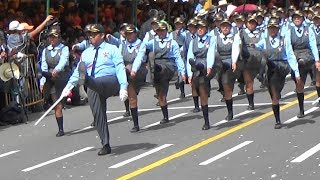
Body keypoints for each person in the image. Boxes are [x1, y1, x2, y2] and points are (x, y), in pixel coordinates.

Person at [63, 24, 128, 155]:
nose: (90, 37)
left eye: (94, 34)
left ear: (102, 35)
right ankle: (105, 144)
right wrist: (68, 86)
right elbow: (77, 72)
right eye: (89, 34)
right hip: (93, 84)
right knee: (98, 114)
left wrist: (123, 86)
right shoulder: (86, 53)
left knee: (92, 80)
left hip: (109, 80)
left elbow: (120, 67)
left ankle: (86, 79)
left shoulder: (112, 49)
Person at [131, 22, 185, 124]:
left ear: (166, 31)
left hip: (168, 64)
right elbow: (141, 50)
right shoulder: (152, 42)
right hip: (156, 66)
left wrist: (182, 72)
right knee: (161, 94)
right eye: (159, 31)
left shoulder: (172, 42)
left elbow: (178, 58)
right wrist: (135, 67)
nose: (161, 32)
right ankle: (165, 116)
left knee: (161, 68)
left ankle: (154, 68)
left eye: (162, 30)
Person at [253, 17, 301, 129]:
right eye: (270, 28)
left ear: (278, 29)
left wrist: (296, 72)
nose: (272, 30)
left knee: (275, 89)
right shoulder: (264, 40)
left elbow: (290, 55)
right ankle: (277, 120)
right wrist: (251, 45)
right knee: (273, 93)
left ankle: (275, 94)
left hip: (281, 67)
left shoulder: (284, 40)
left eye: (274, 28)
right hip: (270, 69)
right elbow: (257, 46)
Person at [287, 10, 320, 118]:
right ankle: (301, 109)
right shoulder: (289, 30)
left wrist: (317, 60)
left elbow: (313, 44)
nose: (297, 19)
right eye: (295, 18)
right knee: (299, 84)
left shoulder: (308, 29)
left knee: (317, 80)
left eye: (299, 17)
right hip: (295, 56)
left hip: (308, 56)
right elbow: (288, 48)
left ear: (302, 19)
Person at [39, 27, 70, 137]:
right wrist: (42, 82)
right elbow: (44, 67)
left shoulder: (64, 49)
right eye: (50, 37)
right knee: (57, 104)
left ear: (58, 38)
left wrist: (56, 70)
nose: (52, 39)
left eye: (54, 37)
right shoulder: (45, 51)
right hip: (51, 79)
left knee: (61, 102)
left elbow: (63, 61)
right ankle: (60, 129)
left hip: (62, 78)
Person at [187, 20, 215, 130]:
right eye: (198, 27)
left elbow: (211, 53)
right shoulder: (192, 41)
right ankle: (196, 68)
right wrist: (189, 74)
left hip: (205, 65)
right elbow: (189, 56)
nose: (199, 29)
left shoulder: (210, 39)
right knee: (195, 87)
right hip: (195, 65)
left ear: (206, 29)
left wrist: (209, 66)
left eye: (202, 27)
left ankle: (206, 121)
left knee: (203, 93)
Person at [119, 24, 147, 132]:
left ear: (135, 33)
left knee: (130, 73)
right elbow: (119, 58)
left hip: (138, 70)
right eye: (127, 34)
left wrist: (134, 69)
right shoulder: (122, 44)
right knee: (131, 95)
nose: (129, 36)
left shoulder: (141, 44)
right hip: (126, 71)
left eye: (131, 33)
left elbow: (139, 58)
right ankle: (136, 124)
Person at [215, 18, 241, 120]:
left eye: (227, 26)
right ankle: (225, 93)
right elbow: (214, 50)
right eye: (223, 26)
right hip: (219, 62)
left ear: (230, 27)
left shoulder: (235, 37)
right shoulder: (216, 37)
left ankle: (230, 112)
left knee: (226, 83)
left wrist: (234, 61)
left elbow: (235, 49)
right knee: (221, 82)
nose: (225, 28)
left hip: (230, 61)